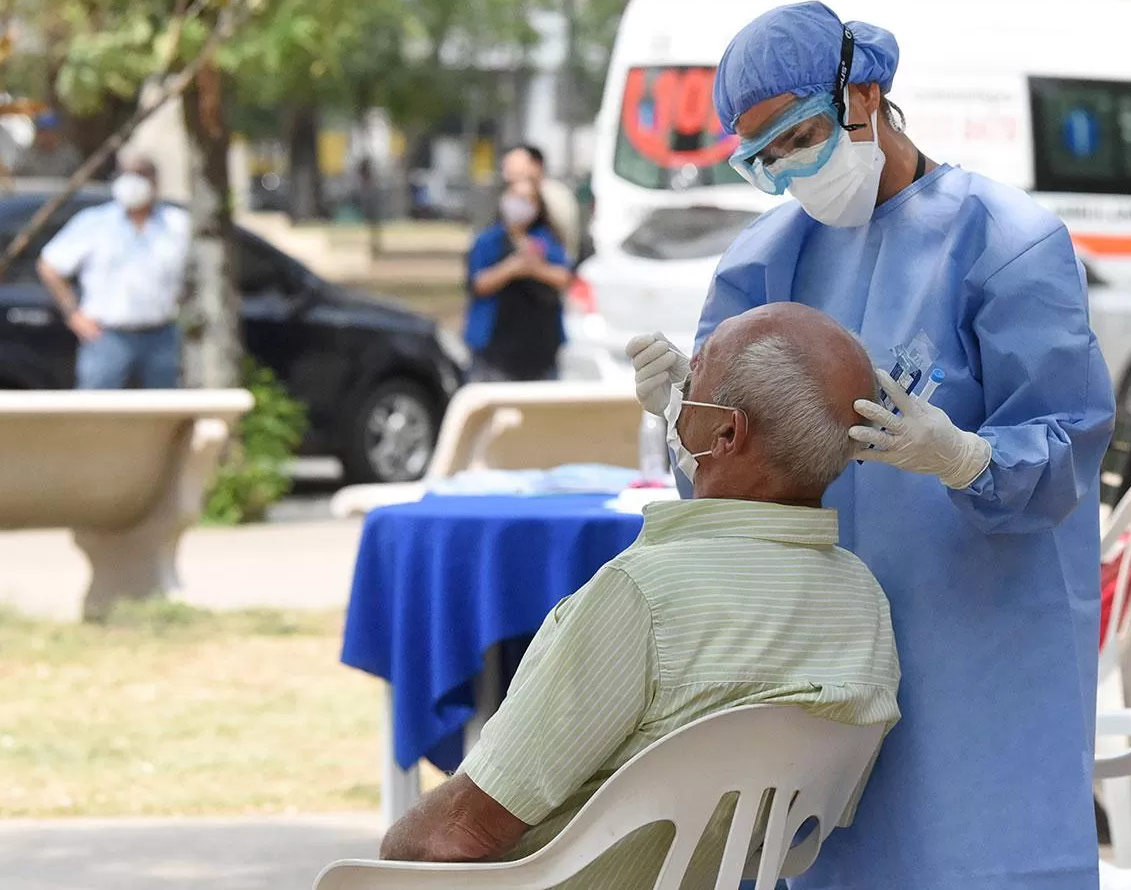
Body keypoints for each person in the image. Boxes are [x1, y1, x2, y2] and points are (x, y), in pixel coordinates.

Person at [627, 1, 1117, 890]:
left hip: (976, 645)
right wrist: (681, 424)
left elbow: (1067, 449)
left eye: (800, 135)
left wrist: (967, 459)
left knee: (975, 858)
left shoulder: (1005, 245)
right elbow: (725, 484)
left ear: (865, 94)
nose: (788, 170)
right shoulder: (763, 264)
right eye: (762, 159)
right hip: (817, 658)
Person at [379, 303, 901, 889]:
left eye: (696, 371)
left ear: (727, 432)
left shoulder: (645, 598)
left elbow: (458, 837)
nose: (680, 383)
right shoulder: (864, 602)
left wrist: (376, 862)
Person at [38, 155, 191, 390]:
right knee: (96, 418)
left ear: (155, 182)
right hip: (106, 338)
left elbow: (194, 274)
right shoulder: (95, 222)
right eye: (125, 174)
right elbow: (49, 265)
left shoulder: (177, 224)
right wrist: (73, 314)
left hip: (161, 337)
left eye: (140, 174)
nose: (132, 182)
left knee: (162, 418)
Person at [463, 178, 574, 382]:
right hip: (494, 352)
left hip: (540, 350)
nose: (520, 205)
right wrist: (511, 268)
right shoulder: (488, 240)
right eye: (516, 197)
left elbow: (565, 277)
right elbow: (478, 283)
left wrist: (535, 268)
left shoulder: (546, 240)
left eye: (528, 199)